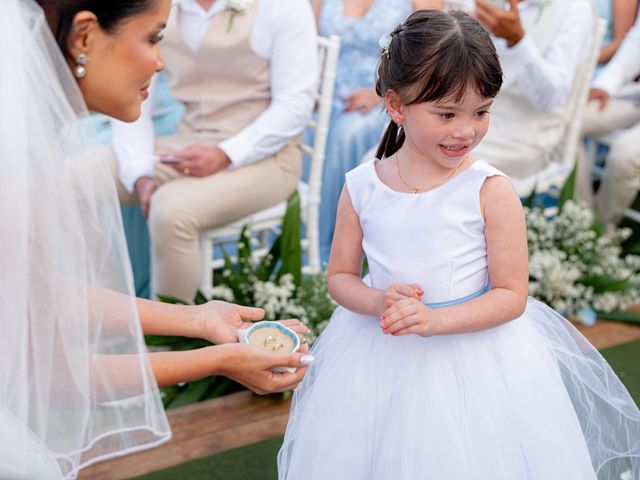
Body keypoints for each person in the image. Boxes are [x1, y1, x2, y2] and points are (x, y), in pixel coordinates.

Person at [278, 10, 640, 479]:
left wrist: (436, 320)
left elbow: (512, 295)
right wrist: (378, 299)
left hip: (477, 361)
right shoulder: (363, 185)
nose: (466, 130)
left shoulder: (490, 189)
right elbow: (341, 277)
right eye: (446, 114)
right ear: (396, 105)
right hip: (377, 355)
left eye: (481, 112)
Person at [0, 1, 313, 478]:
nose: (161, 61)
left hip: (254, 159)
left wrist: (198, 319)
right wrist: (220, 359)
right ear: (84, 36)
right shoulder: (20, 169)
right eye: (152, 37)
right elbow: (56, 370)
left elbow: (34, 294)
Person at [105, 0, 318, 303]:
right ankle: (91, 311)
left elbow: (295, 106)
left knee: (171, 211)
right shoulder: (156, 5)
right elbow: (128, 90)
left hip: (268, 156)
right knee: (74, 177)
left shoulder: (282, 7)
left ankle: (170, 341)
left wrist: (225, 153)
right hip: (188, 141)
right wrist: (140, 174)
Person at [309, 0, 439, 261]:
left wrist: (381, 94)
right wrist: (309, 89)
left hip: (383, 102)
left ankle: (332, 249)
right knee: (302, 130)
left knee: (348, 134)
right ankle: (297, 238)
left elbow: (433, 56)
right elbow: (305, 46)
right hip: (323, 99)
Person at [469, 0, 595, 193]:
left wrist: (517, 41)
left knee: (436, 154)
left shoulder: (575, 9)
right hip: (467, 112)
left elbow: (550, 99)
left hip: (521, 132)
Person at [577, 13, 640, 225]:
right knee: (571, 121)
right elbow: (636, 40)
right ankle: (581, 221)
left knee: (624, 155)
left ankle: (602, 234)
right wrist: (605, 84)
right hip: (635, 95)